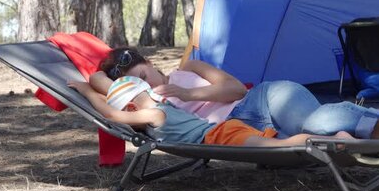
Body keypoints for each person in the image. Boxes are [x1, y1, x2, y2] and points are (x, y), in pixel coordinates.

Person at [88, 47, 379, 142]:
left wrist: (184, 88)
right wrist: (87, 81)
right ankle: (345, 136)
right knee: (316, 132)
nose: (147, 82)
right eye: (136, 82)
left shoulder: (187, 68)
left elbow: (236, 88)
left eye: (144, 73)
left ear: (150, 63)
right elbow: (99, 84)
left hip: (261, 101)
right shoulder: (144, 103)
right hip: (244, 132)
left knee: (315, 120)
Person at [68, 76, 354, 147]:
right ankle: (334, 136)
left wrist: (86, 91)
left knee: (281, 145)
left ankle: (333, 139)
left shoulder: (154, 114)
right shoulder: (162, 106)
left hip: (220, 135)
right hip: (224, 130)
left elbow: (112, 115)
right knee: (278, 142)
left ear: (131, 107)